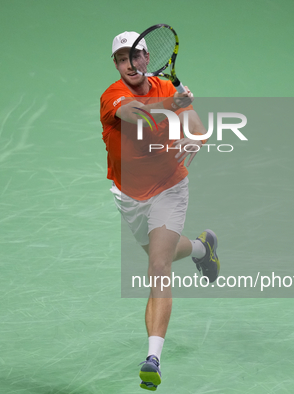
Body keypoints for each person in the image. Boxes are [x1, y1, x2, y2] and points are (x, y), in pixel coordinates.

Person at [99, 31, 221, 391]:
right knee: (159, 253)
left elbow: (199, 128)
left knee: (158, 266)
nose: (130, 64)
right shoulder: (112, 96)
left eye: (135, 56)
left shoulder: (167, 89)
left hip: (170, 186)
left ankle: (153, 357)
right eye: (122, 59)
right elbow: (134, 113)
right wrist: (171, 105)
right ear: (117, 65)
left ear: (147, 58)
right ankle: (203, 248)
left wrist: (194, 138)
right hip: (130, 195)